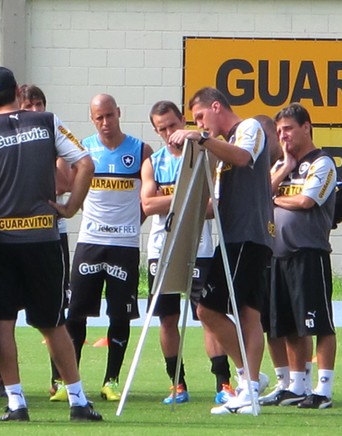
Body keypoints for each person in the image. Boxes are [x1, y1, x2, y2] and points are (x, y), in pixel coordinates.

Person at [0, 66, 102, 422]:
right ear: (17, 94)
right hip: (43, 238)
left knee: (2, 321)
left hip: (0, 241)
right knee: (52, 322)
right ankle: (77, 400)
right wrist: (71, 206)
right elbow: (86, 162)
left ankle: (16, 402)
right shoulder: (47, 122)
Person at [168, 86, 273, 415]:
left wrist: (200, 138)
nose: (200, 124)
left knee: (207, 310)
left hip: (247, 236)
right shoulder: (222, 145)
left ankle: (247, 379)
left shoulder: (248, 128)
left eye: (200, 116)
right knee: (248, 315)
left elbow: (242, 157)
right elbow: (221, 196)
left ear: (216, 106)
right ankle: (252, 385)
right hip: (238, 237)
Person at [141, 100, 232, 404]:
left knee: (207, 315)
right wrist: (185, 197)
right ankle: (177, 384)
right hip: (161, 248)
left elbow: (211, 207)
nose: (169, 133)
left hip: (200, 247)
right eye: (162, 129)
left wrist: (175, 200)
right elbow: (148, 205)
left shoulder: (204, 155)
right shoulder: (154, 162)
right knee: (167, 318)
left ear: (183, 120)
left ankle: (223, 383)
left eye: (172, 125)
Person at [64, 93, 152, 402]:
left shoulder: (141, 151)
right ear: (92, 119)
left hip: (124, 245)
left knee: (120, 315)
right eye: (98, 117)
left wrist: (132, 222)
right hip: (90, 242)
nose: (105, 123)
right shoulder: (83, 150)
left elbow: (147, 199)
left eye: (109, 116)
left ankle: (110, 380)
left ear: (119, 112)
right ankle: (69, 383)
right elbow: (66, 185)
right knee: (75, 314)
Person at [263, 103, 336, 409]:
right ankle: (295, 386)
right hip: (278, 256)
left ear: (307, 127)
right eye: (279, 131)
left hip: (309, 254)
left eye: (289, 129)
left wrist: (276, 199)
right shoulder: (282, 165)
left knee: (318, 325)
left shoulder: (323, 163)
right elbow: (260, 194)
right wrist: (284, 166)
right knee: (287, 326)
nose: (283, 136)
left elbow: (306, 201)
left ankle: (324, 390)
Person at [18, 84, 74, 400]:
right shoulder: (8, 137)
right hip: (13, 234)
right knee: (3, 313)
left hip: (52, 232)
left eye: (40, 104)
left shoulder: (54, 132)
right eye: (30, 105)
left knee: (55, 308)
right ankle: (0, 381)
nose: (36, 110)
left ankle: (60, 381)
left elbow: (65, 182)